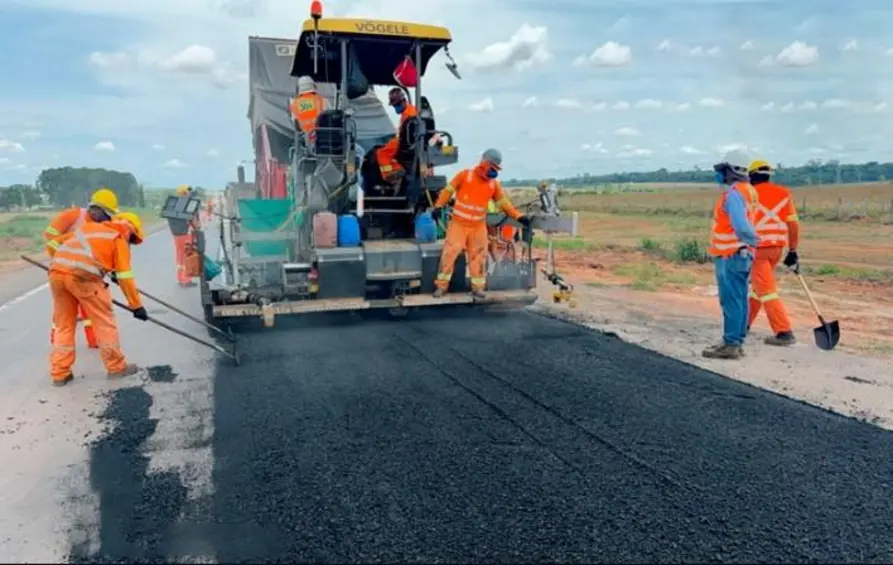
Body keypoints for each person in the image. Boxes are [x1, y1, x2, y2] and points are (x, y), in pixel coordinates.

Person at [47, 211, 147, 386]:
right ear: (130, 229)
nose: (130, 243)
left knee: (64, 325)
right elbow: (125, 276)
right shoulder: (118, 237)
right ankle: (116, 367)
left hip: (57, 273)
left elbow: (54, 243)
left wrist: (65, 263)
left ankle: (60, 373)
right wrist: (136, 305)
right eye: (132, 239)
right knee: (103, 321)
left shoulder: (90, 228)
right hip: (83, 279)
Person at [430, 148, 530, 299]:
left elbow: (504, 202)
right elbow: (447, 191)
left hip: (478, 226)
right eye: (493, 167)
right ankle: (441, 287)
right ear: (484, 163)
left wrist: (518, 216)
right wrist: (438, 206)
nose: (494, 172)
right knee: (450, 254)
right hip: (459, 224)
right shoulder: (465, 176)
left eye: (497, 169)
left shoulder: (493, 185)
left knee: (479, 257)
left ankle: (477, 288)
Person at [44, 187, 120, 349]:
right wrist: (63, 260)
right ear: (97, 209)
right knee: (64, 313)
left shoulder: (100, 225)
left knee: (90, 309)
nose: (107, 219)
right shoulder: (74, 216)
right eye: (106, 214)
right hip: (66, 268)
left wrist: (113, 272)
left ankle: (94, 340)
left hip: (87, 272)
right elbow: (50, 238)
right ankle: (57, 341)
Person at [703, 149, 760, 360]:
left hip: (731, 254)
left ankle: (731, 344)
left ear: (733, 170)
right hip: (741, 254)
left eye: (724, 170)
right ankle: (736, 340)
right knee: (740, 299)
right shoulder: (749, 191)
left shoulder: (734, 194)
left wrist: (754, 241)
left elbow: (741, 225)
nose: (721, 174)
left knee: (731, 300)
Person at [747, 159, 800, 346]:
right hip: (777, 249)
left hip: (757, 250)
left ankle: (784, 331)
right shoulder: (783, 193)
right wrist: (793, 250)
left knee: (767, 291)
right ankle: (744, 324)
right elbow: (793, 224)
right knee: (759, 288)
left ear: (751, 175)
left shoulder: (749, 195)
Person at [375, 87, 418, 184]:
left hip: (404, 142)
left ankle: (389, 174)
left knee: (381, 153)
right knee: (391, 154)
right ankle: (397, 169)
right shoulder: (411, 110)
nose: (396, 107)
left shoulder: (409, 114)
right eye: (394, 105)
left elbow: (405, 132)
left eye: (397, 105)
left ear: (404, 101)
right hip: (407, 141)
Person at [170, 185, 198, 287]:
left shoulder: (173, 204)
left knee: (180, 257)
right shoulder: (186, 204)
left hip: (176, 235)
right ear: (185, 193)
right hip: (185, 234)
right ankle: (185, 280)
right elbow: (192, 219)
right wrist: (197, 228)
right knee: (187, 257)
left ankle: (181, 278)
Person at [289, 76, 327, 144]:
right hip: (321, 136)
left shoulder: (294, 103)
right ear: (313, 86)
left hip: (304, 138)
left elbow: (295, 122)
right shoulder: (321, 100)